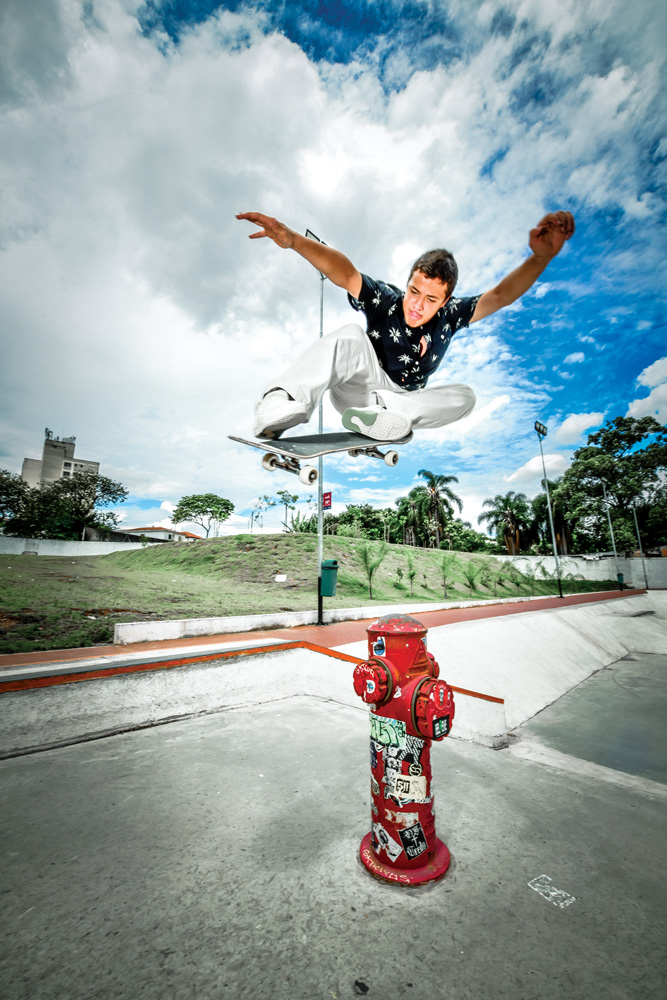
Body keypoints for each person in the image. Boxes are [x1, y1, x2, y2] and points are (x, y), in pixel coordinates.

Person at [236, 209, 575, 440]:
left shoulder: (452, 315)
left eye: (430, 300)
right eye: (414, 291)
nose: (416, 305)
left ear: (445, 301)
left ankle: (385, 418)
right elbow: (347, 273)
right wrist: (295, 241)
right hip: (359, 386)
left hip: (402, 402)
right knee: (351, 335)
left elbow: (500, 295)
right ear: (408, 281)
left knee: (466, 396)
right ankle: (280, 402)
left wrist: (541, 257)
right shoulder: (385, 299)